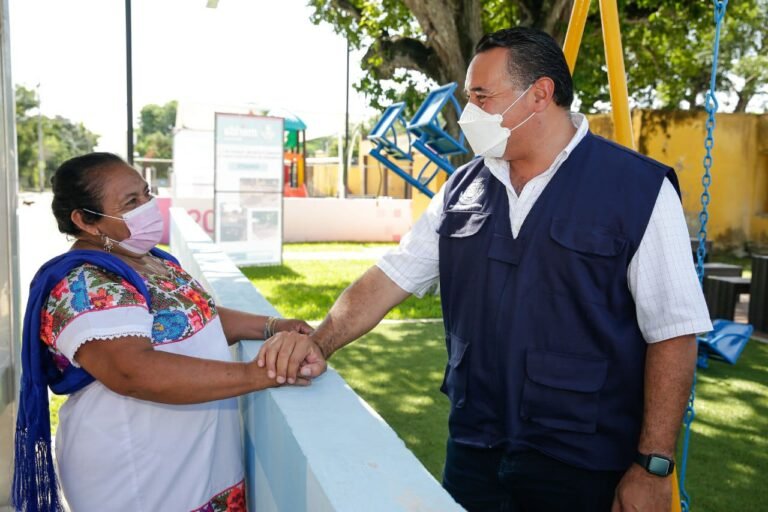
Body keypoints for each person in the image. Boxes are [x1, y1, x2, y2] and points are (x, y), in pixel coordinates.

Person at [257, 27, 713, 512]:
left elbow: (675, 332)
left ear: (540, 94)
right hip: (475, 452)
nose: (468, 114)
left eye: (481, 96)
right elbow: (388, 278)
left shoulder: (638, 190)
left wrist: (652, 465)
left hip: (583, 464)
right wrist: (319, 341)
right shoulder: (462, 189)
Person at [13, 152, 313, 511]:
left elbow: (195, 316)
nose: (147, 206)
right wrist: (263, 373)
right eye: (131, 202)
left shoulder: (152, 259)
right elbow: (132, 371)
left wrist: (270, 326)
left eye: (146, 194)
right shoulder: (85, 283)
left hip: (193, 463)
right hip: (138, 474)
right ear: (86, 221)